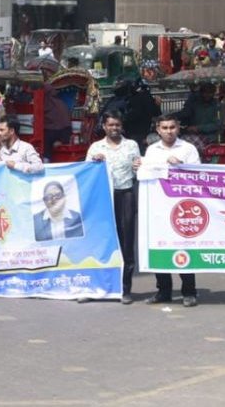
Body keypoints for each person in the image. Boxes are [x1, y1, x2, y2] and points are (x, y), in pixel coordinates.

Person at [136, 115, 201, 306]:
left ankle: (189, 292)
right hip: (158, 207)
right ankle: (163, 291)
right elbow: (146, 175)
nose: (169, 131)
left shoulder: (188, 149)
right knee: (159, 246)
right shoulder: (152, 150)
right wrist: (138, 167)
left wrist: (181, 166)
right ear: (158, 130)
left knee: (184, 247)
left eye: (172, 127)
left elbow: (199, 176)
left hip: (182, 208)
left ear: (178, 128)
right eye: (164, 128)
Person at [87, 112, 140, 304]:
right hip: (103, 198)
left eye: (117, 125)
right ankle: (94, 288)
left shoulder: (131, 145)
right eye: (110, 125)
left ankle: (125, 289)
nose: (114, 128)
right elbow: (86, 173)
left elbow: (139, 171)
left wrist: (139, 166)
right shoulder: (95, 147)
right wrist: (94, 161)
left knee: (126, 241)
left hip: (125, 194)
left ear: (121, 126)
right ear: (104, 126)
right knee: (100, 241)